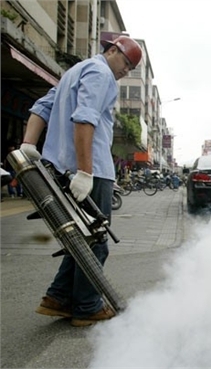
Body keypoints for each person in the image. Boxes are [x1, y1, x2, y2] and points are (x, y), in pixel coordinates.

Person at [19, 35, 142, 327]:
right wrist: (86, 171)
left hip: (60, 168)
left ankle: (58, 297)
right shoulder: (101, 73)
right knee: (97, 240)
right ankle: (86, 307)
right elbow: (85, 119)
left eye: (130, 68)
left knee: (79, 237)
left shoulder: (73, 72)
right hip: (91, 171)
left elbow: (41, 107)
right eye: (126, 63)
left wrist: (28, 143)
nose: (126, 71)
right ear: (112, 50)